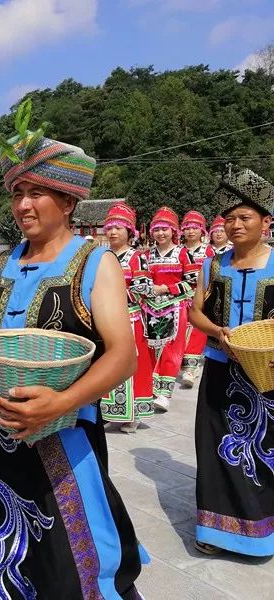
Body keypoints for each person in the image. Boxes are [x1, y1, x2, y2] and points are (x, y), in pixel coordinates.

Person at [0, 106, 144, 598]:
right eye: (17, 194)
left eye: (37, 193)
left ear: (69, 202)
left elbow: (123, 355)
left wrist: (61, 402)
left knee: (66, 572)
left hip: (66, 441)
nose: (23, 205)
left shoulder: (96, 263)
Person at [188, 166, 274, 557]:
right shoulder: (213, 264)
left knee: (263, 448)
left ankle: (263, 530)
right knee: (214, 445)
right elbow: (195, 313)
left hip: (266, 373)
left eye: (245, 217)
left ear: (266, 221)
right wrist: (217, 331)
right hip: (220, 368)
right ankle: (216, 531)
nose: (235, 225)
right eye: (229, 219)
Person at [101, 202, 154, 433]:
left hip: (130, 317)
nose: (113, 232)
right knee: (108, 364)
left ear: (130, 232)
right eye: (110, 228)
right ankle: (113, 411)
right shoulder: (102, 256)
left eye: (119, 228)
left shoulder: (137, 257)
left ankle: (134, 415)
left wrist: (115, 293)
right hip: (106, 318)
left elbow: (144, 288)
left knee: (134, 365)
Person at [140, 207, 198, 412]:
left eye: (165, 229)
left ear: (174, 231)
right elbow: (142, 280)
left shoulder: (183, 254)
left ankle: (165, 393)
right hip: (149, 308)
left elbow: (192, 282)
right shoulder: (146, 255)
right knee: (149, 350)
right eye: (157, 229)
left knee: (172, 350)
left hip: (175, 307)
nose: (160, 233)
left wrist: (167, 289)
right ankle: (150, 389)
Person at [180, 210, 215, 389]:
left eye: (195, 228)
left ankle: (190, 369)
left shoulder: (209, 251)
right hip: (180, 297)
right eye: (187, 228)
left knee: (196, 331)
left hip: (200, 296)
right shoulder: (179, 251)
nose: (191, 232)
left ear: (202, 231)